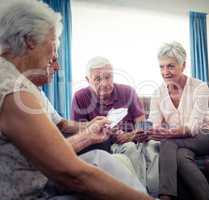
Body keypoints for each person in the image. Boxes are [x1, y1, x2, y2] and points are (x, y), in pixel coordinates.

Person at [0, 1, 152, 200]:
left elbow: (61, 125)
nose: (56, 60)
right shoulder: (13, 89)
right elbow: (73, 173)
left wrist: (126, 133)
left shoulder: (21, 82)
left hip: (43, 178)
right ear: (30, 41)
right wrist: (89, 134)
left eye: (108, 76)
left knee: (104, 159)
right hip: (29, 192)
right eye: (53, 45)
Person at [147, 41, 209, 200]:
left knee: (168, 142)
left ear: (183, 65)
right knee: (180, 157)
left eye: (171, 66)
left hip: (206, 136)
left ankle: (166, 196)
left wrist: (166, 133)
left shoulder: (200, 87)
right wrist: (151, 131)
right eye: (162, 66)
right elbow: (154, 123)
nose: (165, 72)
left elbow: (194, 127)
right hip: (181, 142)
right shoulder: (158, 93)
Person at [71, 56, 148, 187]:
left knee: (129, 148)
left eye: (108, 77)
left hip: (129, 142)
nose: (105, 83)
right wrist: (102, 133)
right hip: (99, 145)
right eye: (98, 79)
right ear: (88, 80)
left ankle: (140, 191)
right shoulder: (79, 97)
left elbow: (143, 125)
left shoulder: (128, 92)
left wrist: (130, 136)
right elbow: (79, 133)